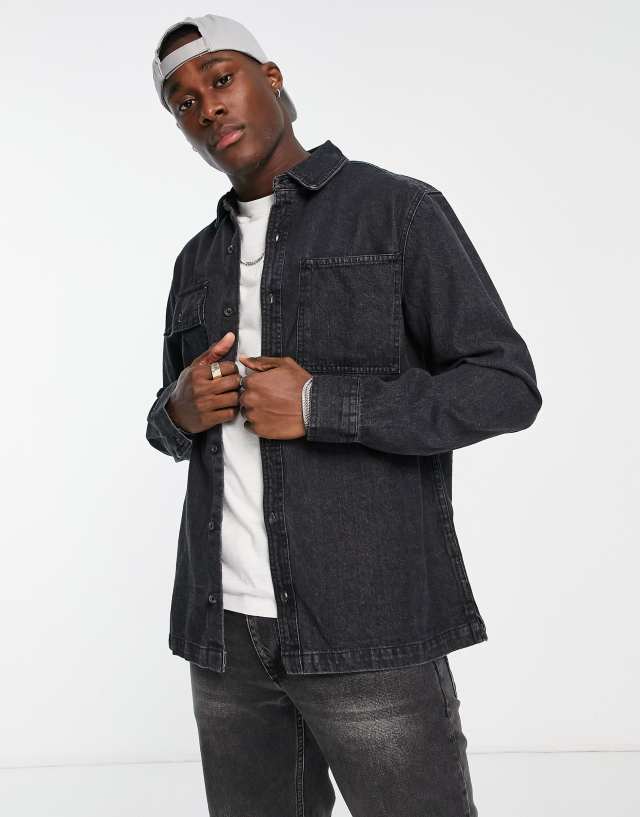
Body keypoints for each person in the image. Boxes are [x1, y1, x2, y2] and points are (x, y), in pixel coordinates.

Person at [146, 13, 543, 817]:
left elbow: (505, 385)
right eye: (183, 103)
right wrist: (178, 409)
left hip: (367, 625)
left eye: (221, 79)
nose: (208, 107)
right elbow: (171, 429)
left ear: (271, 79)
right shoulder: (196, 260)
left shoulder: (397, 211)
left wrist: (320, 403)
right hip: (225, 635)